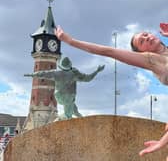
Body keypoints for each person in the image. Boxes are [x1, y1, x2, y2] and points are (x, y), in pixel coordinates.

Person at [54, 25, 168, 155]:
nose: (147, 38)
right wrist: (71, 41)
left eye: (146, 35)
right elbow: (108, 51)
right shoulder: (152, 61)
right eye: (142, 41)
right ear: (140, 54)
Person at [24, 56, 105, 120]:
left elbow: (43, 73)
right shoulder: (74, 74)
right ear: (69, 66)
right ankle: (61, 119)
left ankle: (80, 118)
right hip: (68, 96)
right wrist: (97, 71)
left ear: (61, 67)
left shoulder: (56, 73)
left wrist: (32, 74)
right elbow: (88, 78)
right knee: (68, 114)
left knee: (75, 111)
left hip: (59, 96)